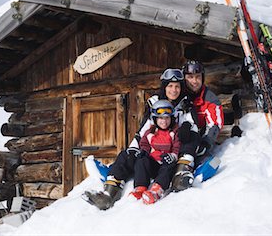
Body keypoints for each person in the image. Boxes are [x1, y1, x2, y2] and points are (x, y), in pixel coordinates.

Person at [83, 68, 198, 210]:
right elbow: (143, 131)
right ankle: (109, 195)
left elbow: (193, 129)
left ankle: (181, 173)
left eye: (177, 86)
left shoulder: (187, 105)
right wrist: (134, 149)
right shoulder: (154, 105)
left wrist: (186, 125)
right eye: (170, 86)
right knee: (127, 155)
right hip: (152, 157)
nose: (174, 90)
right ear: (164, 87)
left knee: (191, 135)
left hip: (173, 157)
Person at [171, 60, 224, 192]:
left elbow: (215, 123)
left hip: (197, 143)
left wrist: (207, 142)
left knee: (214, 162)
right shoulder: (176, 94)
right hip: (174, 143)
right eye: (190, 77)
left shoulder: (209, 99)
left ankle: (194, 177)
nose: (194, 81)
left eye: (198, 77)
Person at [129, 100, 180, 205]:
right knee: (141, 161)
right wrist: (144, 152)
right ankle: (140, 188)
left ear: (172, 118)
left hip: (166, 165)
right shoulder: (150, 132)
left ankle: (157, 190)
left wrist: (173, 156)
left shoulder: (174, 132)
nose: (164, 121)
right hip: (154, 164)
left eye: (167, 118)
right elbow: (144, 144)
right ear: (155, 119)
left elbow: (177, 147)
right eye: (161, 118)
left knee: (169, 165)